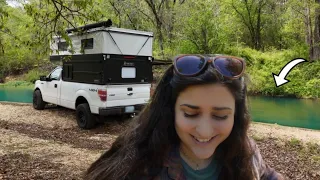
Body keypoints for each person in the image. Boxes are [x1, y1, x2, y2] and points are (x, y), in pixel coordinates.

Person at [85, 54, 284, 180]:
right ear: (170, 110)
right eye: (190, 114)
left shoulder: (244, 149)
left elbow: (267, 174)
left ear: (237, 116)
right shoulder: (138, 163)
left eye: (221, 116)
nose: (204, 131)